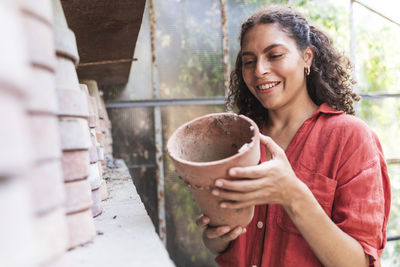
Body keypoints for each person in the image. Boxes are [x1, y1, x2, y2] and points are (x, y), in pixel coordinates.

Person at [196, 5, 391, 267]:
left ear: (307, 57)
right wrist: (215, 238)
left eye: (274, 55)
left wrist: (292, 195)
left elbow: (359, 263)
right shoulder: (239, 138)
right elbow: (223, 244)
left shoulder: (351, 138)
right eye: (249, 61)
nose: (259, 70)